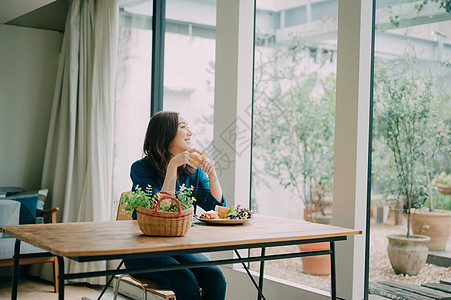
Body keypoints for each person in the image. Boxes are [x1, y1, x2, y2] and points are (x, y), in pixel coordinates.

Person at [124, 111, 227, 300]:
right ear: (166, 133)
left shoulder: (193, 172)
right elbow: (160, 210)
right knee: (186, 281)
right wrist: (172, 166)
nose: (190, 132)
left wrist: (213, 175)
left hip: (179, 248)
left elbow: (215, 207)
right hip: (142, 251)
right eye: (183, 127)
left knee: (215, 277)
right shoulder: (141, 169)